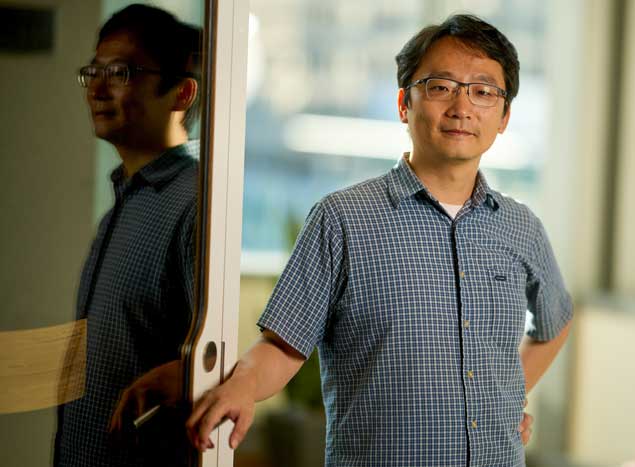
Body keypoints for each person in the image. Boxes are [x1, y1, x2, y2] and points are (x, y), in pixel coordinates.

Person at [187, 13, 572, 467]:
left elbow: (556, 321)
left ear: (503, 116)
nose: (462, 107)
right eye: (441, 86)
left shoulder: (520, 226)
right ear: (404, 104)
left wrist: (505, 397)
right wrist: (243, 384)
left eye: (484, 91)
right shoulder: (342, 219)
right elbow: (283, 345)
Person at [53, 5, 201, 466]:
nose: (97, 88)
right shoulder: (125, 200)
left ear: (181, 93)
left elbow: (220, 359)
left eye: (119, 72)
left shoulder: (196, 203)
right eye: (93, 71)